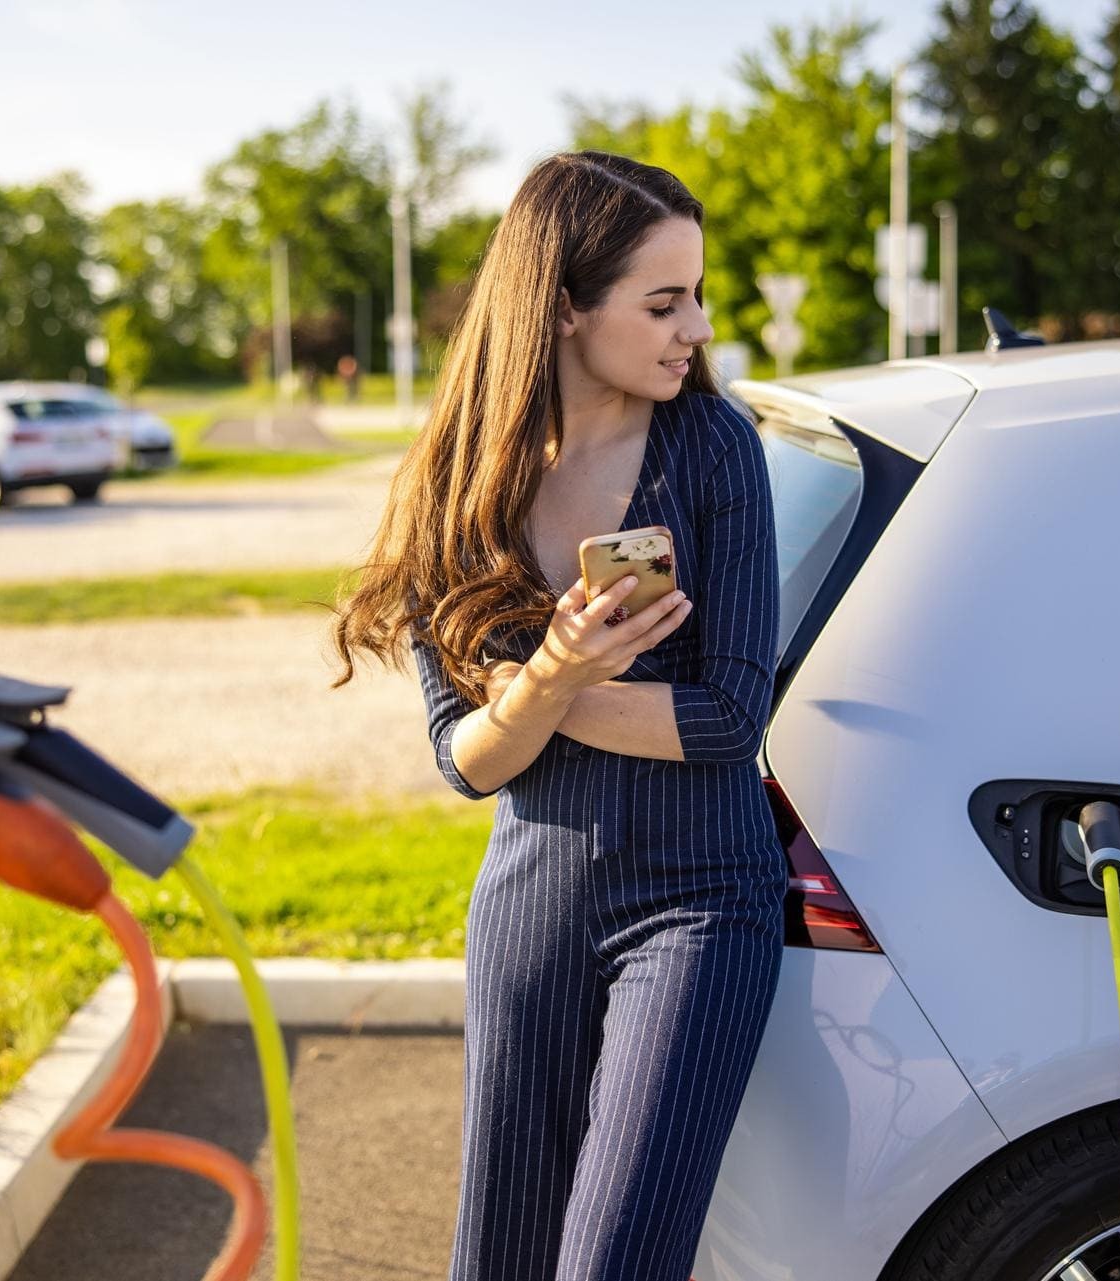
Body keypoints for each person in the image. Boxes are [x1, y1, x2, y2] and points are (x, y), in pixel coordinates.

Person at [328, 150, 786, 1281]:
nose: (696, 327)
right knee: (501, 1259)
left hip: (701, 904)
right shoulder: (456, 485)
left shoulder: (712, 447)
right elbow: (470, 764)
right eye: (664, 301)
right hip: (533, 901)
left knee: (614, 1264)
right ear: (567, 306)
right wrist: (551, 679)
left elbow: (729, 716)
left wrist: (544, 692)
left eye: (698, 297)